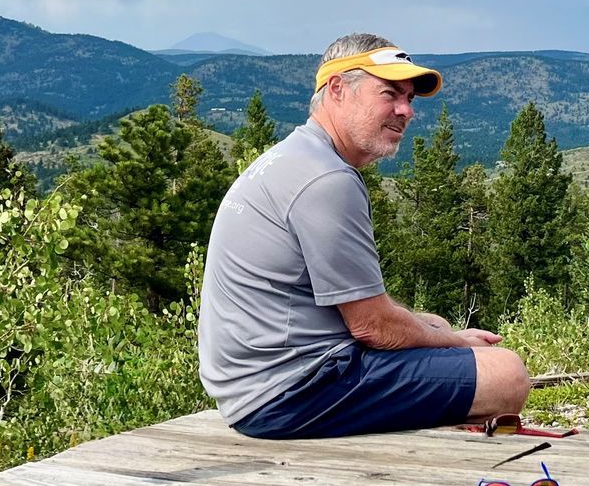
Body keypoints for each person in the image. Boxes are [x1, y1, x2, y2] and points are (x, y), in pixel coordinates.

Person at [199, 32, 530, 438]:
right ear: (337, 89)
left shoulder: (296, 156)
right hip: (291, 392)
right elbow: (372, 327)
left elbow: (362, 311)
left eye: (409, 98)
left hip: (260, 384)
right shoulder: (326, 180)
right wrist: (462, 346)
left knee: (437, 325)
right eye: (389, 94)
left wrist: (445, 335)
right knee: (507, 374)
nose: (406, 110)